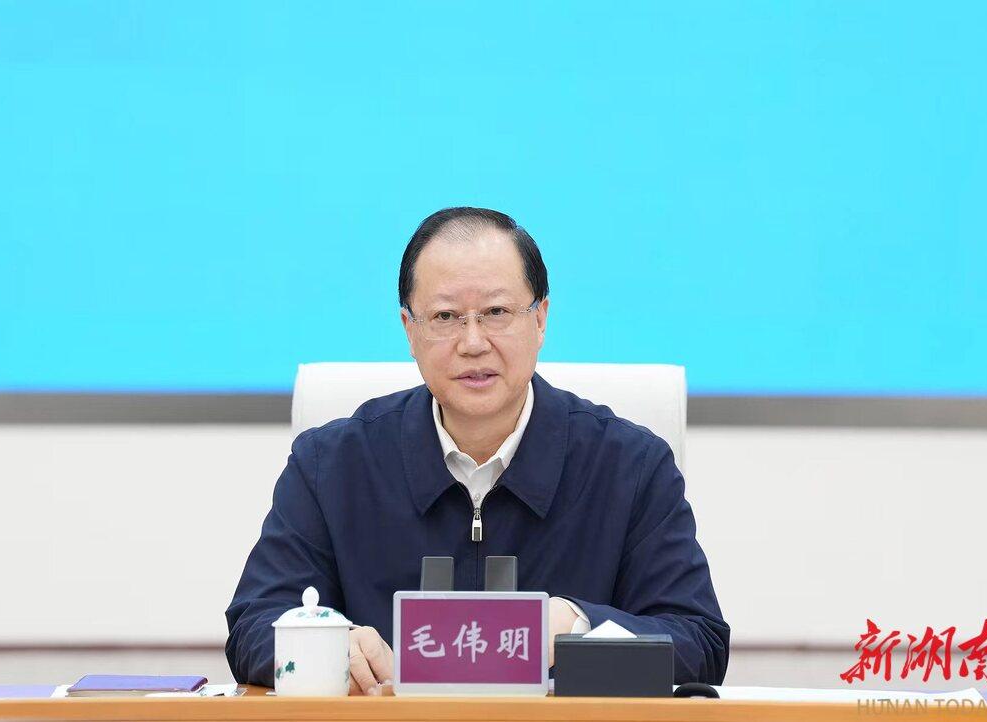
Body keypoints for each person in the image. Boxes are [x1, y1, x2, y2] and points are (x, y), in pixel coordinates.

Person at [225, 207, 729, 693]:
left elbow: (699, 643)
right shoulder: (331, 465)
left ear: (541, 319)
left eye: (496, 313)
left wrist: (576, 626)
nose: (472, 343)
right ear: (410, 331)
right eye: (445, 316)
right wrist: (328, 646)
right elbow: (253, 626)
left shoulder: (630, 467)